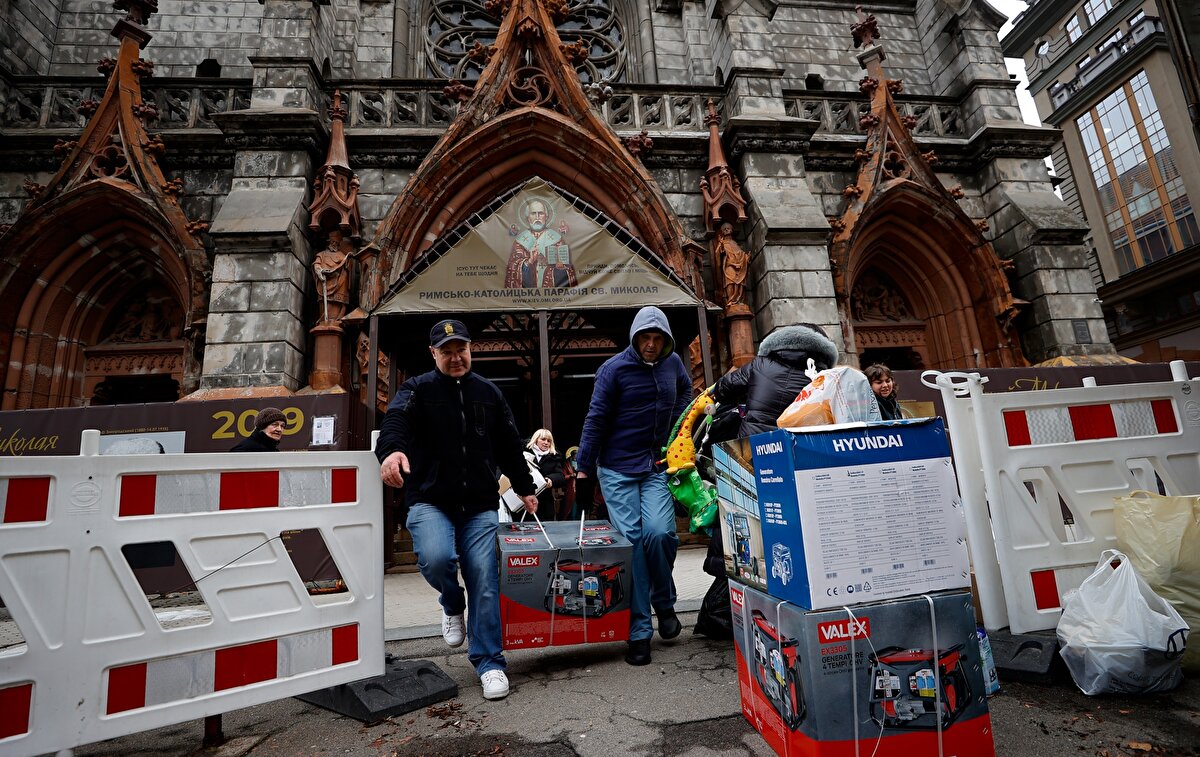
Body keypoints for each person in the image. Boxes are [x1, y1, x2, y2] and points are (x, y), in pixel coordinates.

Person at [375, 318, 537, 701]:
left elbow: (511, 445)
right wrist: (392, 451)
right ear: (434, 354)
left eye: (460, 349)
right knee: (436, 558)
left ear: (471, 349)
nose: (455, 357)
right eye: (445, 352)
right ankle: (451, 602)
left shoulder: (489, 393)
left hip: (479, 504)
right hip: (430, 499)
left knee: (484, 576)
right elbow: (395, 421)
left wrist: (526, 489)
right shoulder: (416, 389)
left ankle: (490, 663)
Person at [694, 324, 838, 640]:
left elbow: (720, 390)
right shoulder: (826, 379)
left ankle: (718, 616)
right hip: (801, 464)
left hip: (752, 460)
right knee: (784, 535)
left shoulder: (760, 366)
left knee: (742, 533)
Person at [574, 305, 692, 665]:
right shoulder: (613, 370)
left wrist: (676, 437)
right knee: (633, 545)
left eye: (658, 338)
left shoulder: (674, 365)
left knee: (660, 534)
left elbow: (686, 397)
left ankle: (664, 602)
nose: (652, 345)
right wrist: (583, 472)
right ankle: (639, 630)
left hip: (656, 465)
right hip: (617, 468)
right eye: (646, 338)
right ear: (635, 337)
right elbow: (595, 420)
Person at [711, 323, 839, 437]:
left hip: (757, 445)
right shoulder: (828, 377)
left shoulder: (759, 365)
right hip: (806, 448)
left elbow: (723, 389)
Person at [504, 199, 576, 289]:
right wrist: (529, 262)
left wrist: (560, 268)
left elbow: (568, 271)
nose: (537, 217)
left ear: (546, 217)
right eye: (533, 213)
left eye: (541, 213)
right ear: (528, 218)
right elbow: (512, 271)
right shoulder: (520, 242)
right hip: (528, 298)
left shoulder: (557, 240)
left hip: (551, 298)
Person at [524, 429, 571, 520]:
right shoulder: (524, 453)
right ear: (536, 439)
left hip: (544, 501)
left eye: (549, 441)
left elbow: (561, 477)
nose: (546, 443)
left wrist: (550, 479)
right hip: (524, 499)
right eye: (543, 439)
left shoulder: (554, 457)